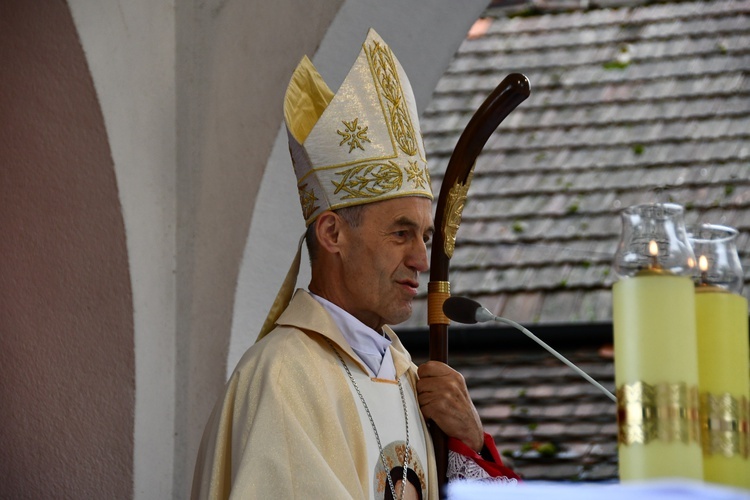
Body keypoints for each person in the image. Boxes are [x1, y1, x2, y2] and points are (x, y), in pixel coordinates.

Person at [191, 28, 518, 500]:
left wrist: (468, 439)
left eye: (426, 237)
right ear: (332, 234)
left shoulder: (407, 376)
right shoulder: (283, 379)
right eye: (401, 233)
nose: (422, 260)